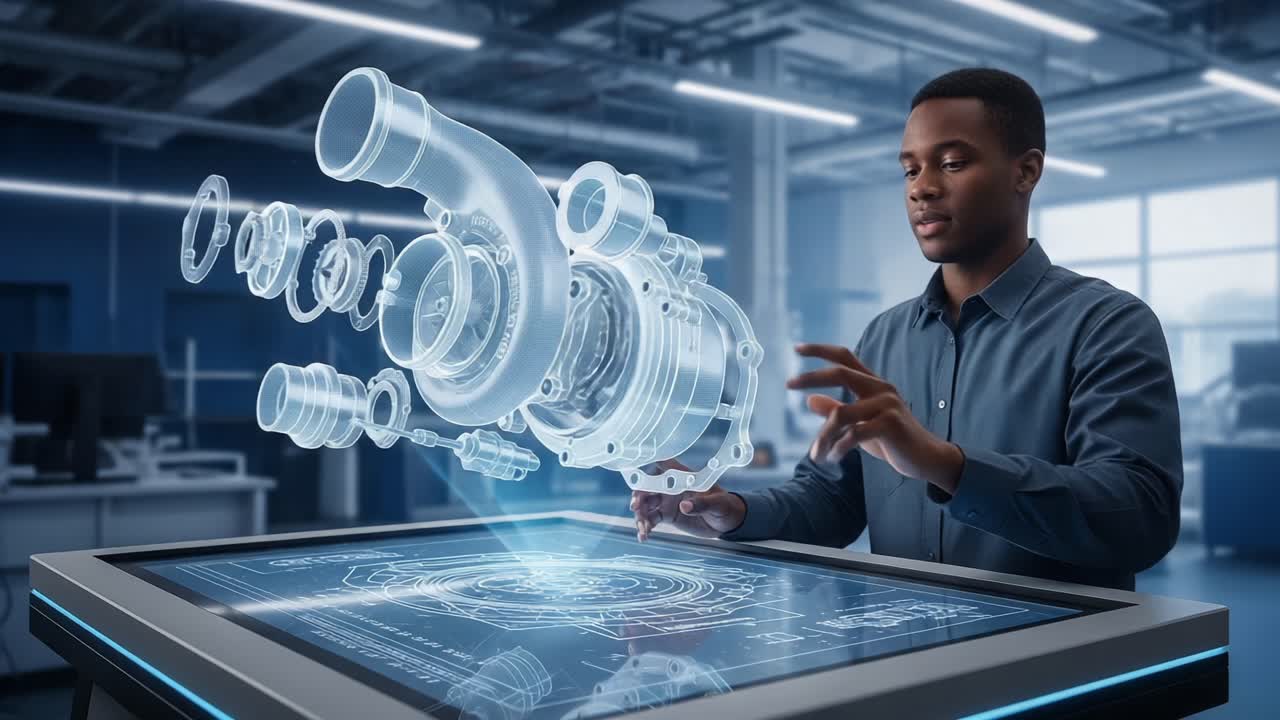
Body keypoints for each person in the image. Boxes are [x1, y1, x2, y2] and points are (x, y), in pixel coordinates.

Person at [631, 67, 1182, 591]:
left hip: (1056, 670)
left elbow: (1139, 515)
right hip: (907, 664)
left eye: (952, 163)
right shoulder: (883, 339)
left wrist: (946, 464)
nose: (922, 189)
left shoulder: (1106, 325)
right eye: (911, 169)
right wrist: (734, 510)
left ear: (1026, 171)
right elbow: (832, 500)